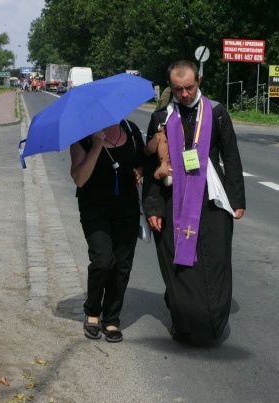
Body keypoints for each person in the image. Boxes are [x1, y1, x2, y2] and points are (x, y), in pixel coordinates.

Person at [142, 60, 246, 341]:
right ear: (170, 87)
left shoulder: (217, 112)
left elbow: (232, 158)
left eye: (189, 87)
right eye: (178, 90)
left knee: (216, 260)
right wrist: (152, 206)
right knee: (178, 265)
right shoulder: (161, 117)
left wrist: (236, 200)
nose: (185, 94)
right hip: (171, 198)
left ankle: (214, 323)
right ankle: (183, 322)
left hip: (210, 198)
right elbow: (152, 164)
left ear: (198, 81)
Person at [70, 120, 145, 342]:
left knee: (122, 264)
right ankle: (92, 312)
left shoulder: (130, 130)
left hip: (127, 208)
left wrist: (138, 172)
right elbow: (80, 178)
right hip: (95, 209)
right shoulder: (82, 137)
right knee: (103, 261)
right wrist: (96, 146)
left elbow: (141, 162)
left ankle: (112, 319)